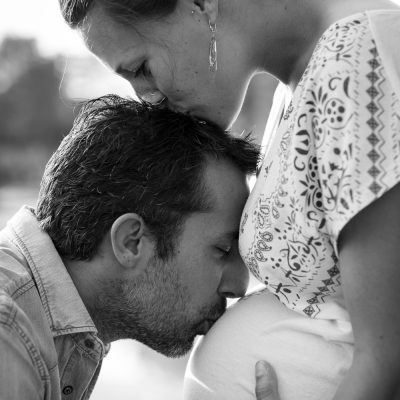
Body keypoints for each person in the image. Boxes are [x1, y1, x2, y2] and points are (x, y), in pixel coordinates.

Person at [58, 0, 400, 399]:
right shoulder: (298, 83)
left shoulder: (356, 60)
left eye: (141, 69)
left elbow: (387, 357)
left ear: (200, 4)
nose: (147, 100)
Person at [0, 94, 262, 399]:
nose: (239, 285)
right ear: (131, 241)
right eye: (222, 250)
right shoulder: (8, 335)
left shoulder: (51, 329)